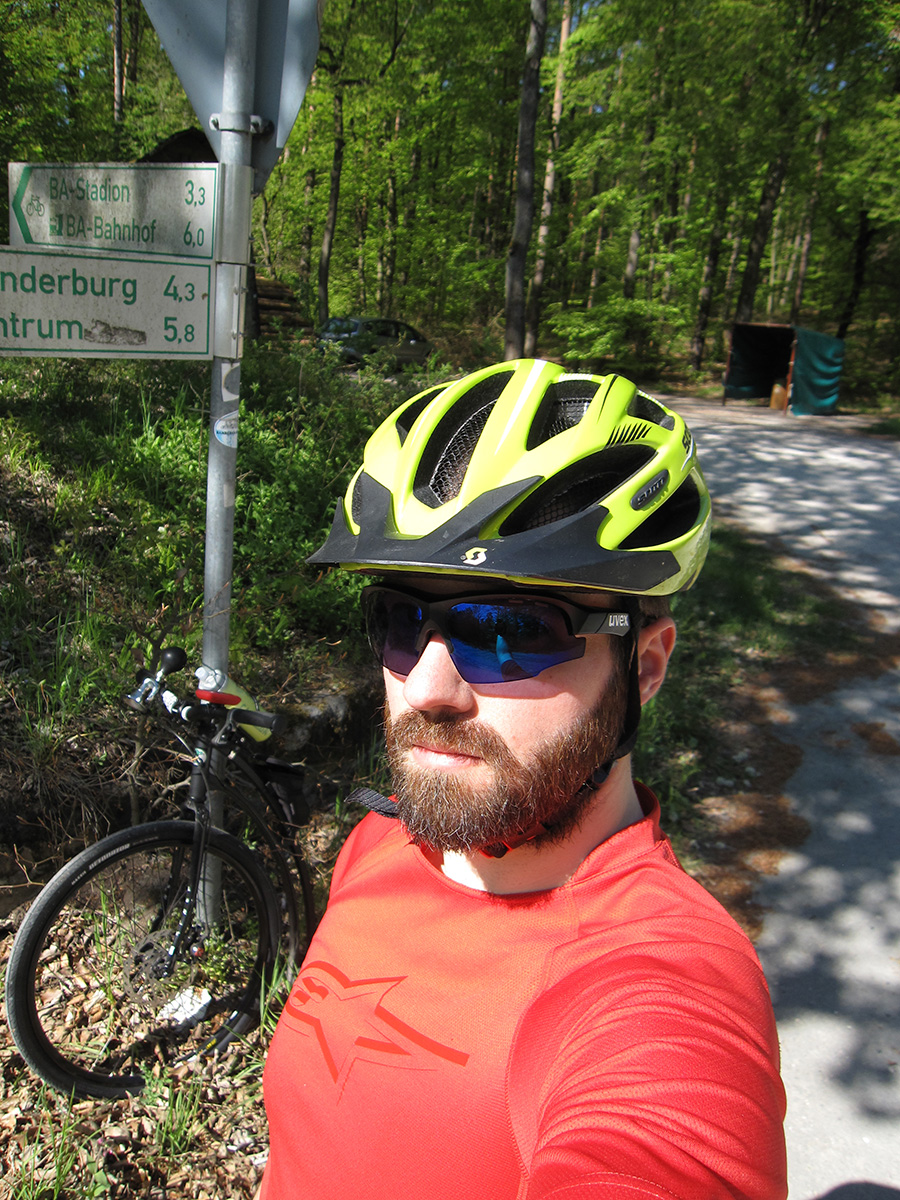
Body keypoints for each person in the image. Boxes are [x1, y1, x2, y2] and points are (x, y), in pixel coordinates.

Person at [260, 358, 787, 1199]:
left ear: (646, 666)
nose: (426, 688)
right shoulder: (379, 845)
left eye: (508, 630)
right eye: (401, 621)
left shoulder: (660, 983)